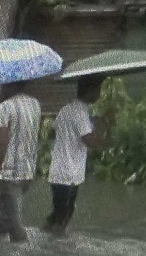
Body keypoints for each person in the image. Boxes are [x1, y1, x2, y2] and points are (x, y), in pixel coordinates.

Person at [46, 77, 107, 234]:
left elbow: (54, 132)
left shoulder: (66, 109)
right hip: (69, 174)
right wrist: (104, 126)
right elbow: (90, 141)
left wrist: (94, 122)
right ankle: (54, 249)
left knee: (58, 215)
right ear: (90, 91)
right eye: (98, 89)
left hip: (59, 172)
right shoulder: (80, 112)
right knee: (63, 217)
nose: (99, 93)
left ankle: (48, 241)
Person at [0, 81, 43, 242]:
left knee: (14, 225)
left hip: (10, 172)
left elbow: (2, 141)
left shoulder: (5, 107)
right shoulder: (35, 104)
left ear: (8, 86)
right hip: (28, 169)